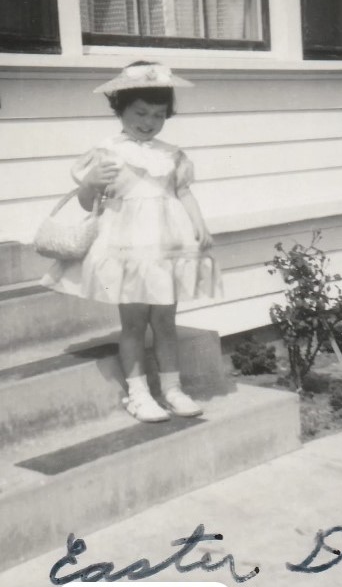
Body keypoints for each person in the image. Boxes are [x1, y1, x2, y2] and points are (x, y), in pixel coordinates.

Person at [42, 61, 221, 423]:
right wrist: (90, 182)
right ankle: (138, 394)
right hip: (127, 247)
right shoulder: (107, 152)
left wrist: (199, 224)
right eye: (140, 112)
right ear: (120, 109)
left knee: (166, 321)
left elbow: (183, 192)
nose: (148, 121)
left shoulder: (171, 154)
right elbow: (86, 203)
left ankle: (172, 389)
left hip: (166, 247)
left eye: (158, 114)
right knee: (135, 323)